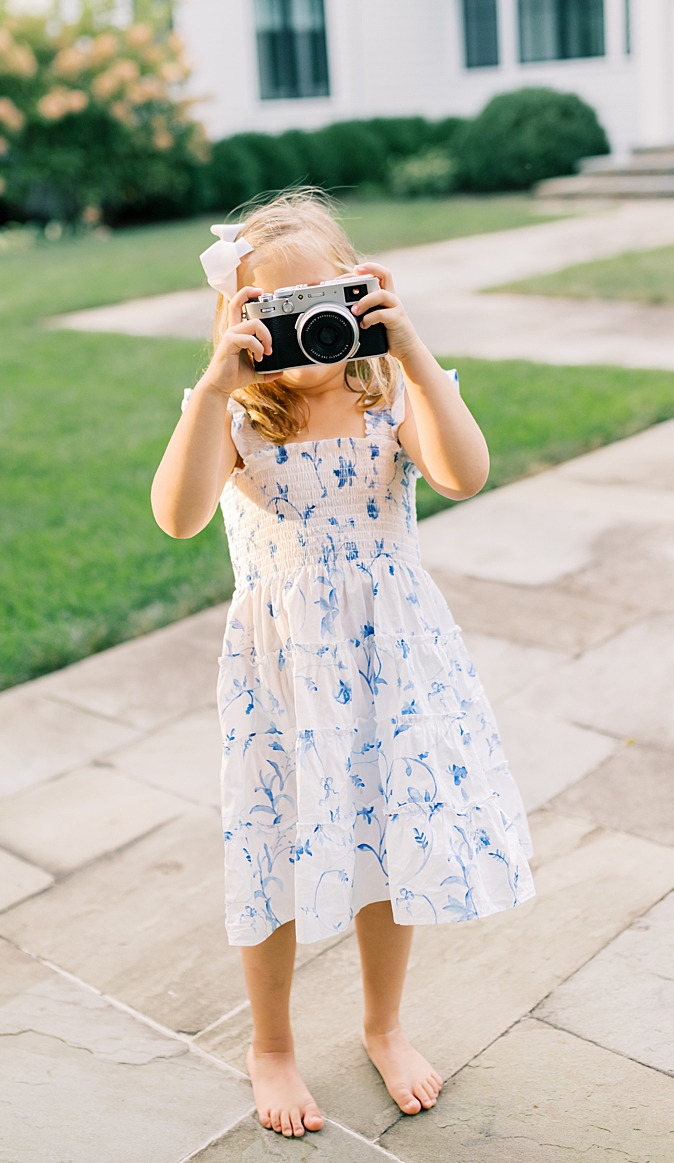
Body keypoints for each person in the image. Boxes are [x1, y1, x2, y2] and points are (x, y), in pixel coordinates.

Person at [151, 190, 535, 1138]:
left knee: (387, 834)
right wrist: (211, 386)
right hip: (283, 671)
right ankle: (270, 1043)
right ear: (238, 320)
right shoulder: (234, 414)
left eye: (322, 302)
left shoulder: (390, 392)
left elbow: (464, 472)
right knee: (273, 844)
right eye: (272, 313)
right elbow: (178, 514)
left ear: (361, 291)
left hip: (392, 659)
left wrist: (412, 352)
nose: (303, 330)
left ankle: (383, 1021)